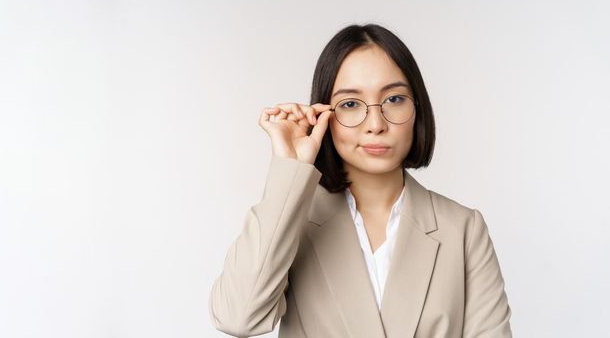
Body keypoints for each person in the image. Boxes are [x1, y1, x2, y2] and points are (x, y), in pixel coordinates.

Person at [208, 24, 512, 338]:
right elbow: (236, 318)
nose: (376, 124)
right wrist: (289, 168)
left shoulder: (463, 229)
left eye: (394, 99)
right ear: (323, 114)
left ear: (417, 108)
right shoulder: (294, 221)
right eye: (350, 104)